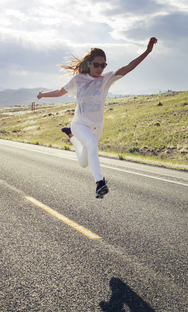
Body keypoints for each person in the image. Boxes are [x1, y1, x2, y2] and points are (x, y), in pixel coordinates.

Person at [37, 37, 158, 198]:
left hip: (96, 127)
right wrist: (42, 94)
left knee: (84, 163)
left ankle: (71, 138)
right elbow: (59, 92)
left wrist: (147, 51)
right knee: (92, 144)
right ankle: (99, 183)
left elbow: (128, 68)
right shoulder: (78, 79)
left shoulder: (106, 79)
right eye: (97, 64)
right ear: (89, 64)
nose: (100, 68)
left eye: (103, 65)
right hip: (79, 124)